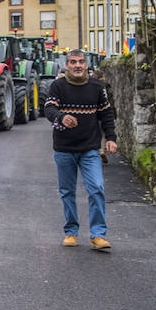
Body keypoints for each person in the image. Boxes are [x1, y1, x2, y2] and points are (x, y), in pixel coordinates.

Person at [43, 48, 117, 251]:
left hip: (89, 149)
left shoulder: (97, 87)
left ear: (86, 65)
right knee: (67, 191)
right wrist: (61, 117)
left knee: (97, 189)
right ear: (67, 65)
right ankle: (71, 232)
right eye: (73, 62)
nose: (77, 65)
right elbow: (49, 108)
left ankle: (98, 235)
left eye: (81, 62)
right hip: (64, 149)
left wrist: (110, 138)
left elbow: (106, 115)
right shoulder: (58, 86)